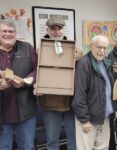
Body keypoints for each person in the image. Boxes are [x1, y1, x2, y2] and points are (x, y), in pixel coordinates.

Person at [38, 17, 82, 150]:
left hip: (71, 102)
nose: (56, 32)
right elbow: (36, 74)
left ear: (63, 29)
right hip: (50, 102)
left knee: (73, 139)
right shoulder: (40, 50)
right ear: (48, 30)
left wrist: (80, 60)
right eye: (53, 28)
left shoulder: (75, 50)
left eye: (59, 28)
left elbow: (82, 74)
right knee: (52, 141)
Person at [0, 19, 38, 150]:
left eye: (11, 31)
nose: (7, 34)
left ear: (16, 33)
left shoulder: (27, 48)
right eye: (4, 31)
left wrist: (26, 81)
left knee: (27, 147)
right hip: (2, 116)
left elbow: (38, 69)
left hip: (26, 112)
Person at [72, 35, 114, 150]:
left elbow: (108, 89)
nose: (102, 51)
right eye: (99, 47)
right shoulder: (84, 63)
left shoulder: (106, 63)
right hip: (88, 118)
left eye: (104, 48)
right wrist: (84, 120)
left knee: (103, 148)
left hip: (103, 116)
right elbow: (80, 94)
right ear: (91, 46)